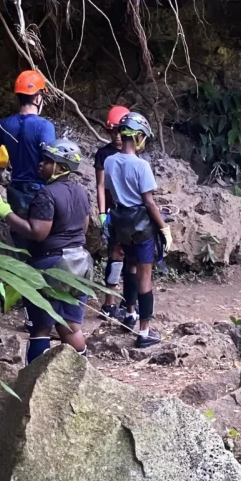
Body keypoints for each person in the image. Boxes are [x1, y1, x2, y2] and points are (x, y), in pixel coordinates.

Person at [0, 139, 91, 364]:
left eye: (47, 161)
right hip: (81, 263)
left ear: (61, 167)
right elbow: (84, 227)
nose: (41, 165)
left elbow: (38, 233)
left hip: (51, 267)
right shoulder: (82, 193)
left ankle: (32, 384)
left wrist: (7, 214)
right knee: (71, 326)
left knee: (41, 327)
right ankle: (83, 374)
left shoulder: (47, 195)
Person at [105, 112, 171, 348]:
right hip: (141, 225)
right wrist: (164, 228)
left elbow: (112, 192)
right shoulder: (141, 166)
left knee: (129, 267)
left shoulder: (109, 161)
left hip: (120, 221)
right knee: (145, 275)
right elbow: (149, 202)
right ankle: (144, 332)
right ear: (139, 136)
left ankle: (130, 313)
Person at [0, 71, 56, 233]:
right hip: (39, 191)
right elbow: (52, 160)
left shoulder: (4, 124)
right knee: (41, 236)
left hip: (15, 190)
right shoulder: (45, 126)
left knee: (20, 236)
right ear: (37, 98)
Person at [95, 105, 131, 320]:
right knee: (116, 255)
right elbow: (101, 185)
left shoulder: (136, 152)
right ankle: (109, 303)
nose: (117, 136)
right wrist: (102, 213)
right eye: (112, 132)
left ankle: (130, 302)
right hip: (114, 211)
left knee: (133, 259)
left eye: (120, 131)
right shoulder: (104, 154)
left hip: (132, 212)